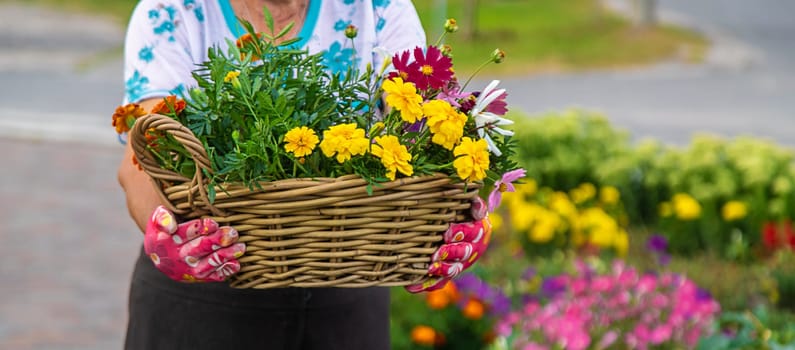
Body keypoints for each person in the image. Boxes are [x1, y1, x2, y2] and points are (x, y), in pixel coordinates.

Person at [116, 0, 491, 349]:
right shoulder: (171, 10)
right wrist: (166, 233)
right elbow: (147, 152)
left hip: (350, 290)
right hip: (205, 289)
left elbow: (427, 125)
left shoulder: (378, 7)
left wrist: (455, 209)